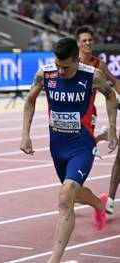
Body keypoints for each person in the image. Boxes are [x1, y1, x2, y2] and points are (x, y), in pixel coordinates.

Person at [20, 37, 117, 263]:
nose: (61, 71)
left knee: (65, 197)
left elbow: (111, 96)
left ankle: (53, 260)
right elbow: (30, 100)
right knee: (71, 192)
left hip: (82, 145)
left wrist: (112, 129)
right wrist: (25, 133)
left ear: (76, 62)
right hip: (58, 146)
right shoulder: (46, 74)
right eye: (58, 65)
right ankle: (98, 203)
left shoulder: (92, 76)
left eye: (66, 67)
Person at [76, 25, 120, 215]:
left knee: (82, 151)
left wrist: (119, 96)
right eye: (84, 40)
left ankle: (74, 192)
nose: (87, 43)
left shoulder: (98, 64)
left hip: (88, 114)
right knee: (77, 152)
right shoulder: (71, 62)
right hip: (72, 114)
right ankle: (103, 135)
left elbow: (114, 81)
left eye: (90, 40)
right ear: (77, 42)